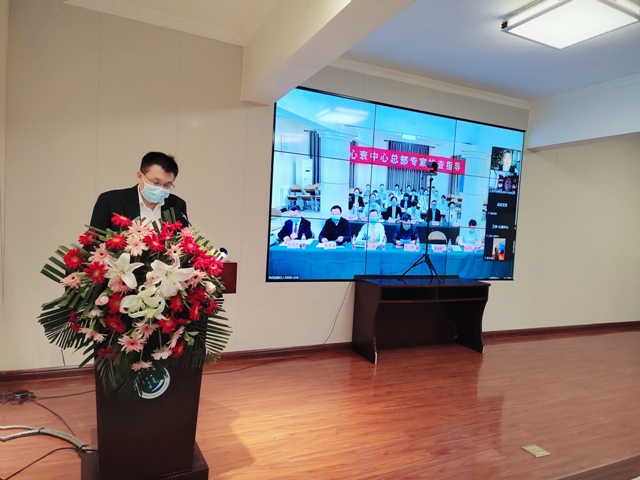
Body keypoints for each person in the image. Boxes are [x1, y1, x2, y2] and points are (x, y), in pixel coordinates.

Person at [90, 152, 187, 231]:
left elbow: (184, 243)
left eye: (167, 185)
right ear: (140, 176)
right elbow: (92, 243)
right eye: (156, 182)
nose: (161, 188)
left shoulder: (178, 205)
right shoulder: (110, 201)